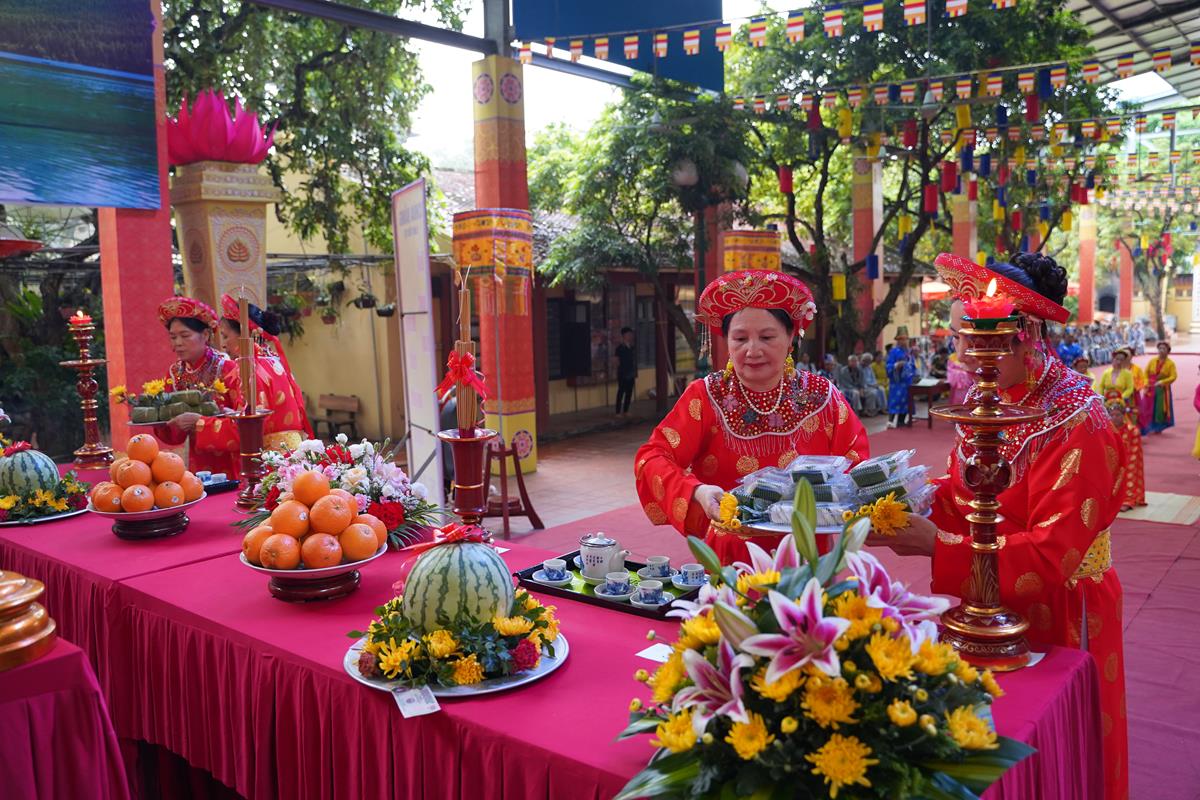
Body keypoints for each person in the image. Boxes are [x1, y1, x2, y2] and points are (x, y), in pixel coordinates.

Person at [870, 252, 1128, 800]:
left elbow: (1054, 553)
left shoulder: (1076, 418)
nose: (964, 354)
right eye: (960, 337)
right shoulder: (990, 399)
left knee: (1054, 748)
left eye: (977, 338)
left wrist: (937, 546)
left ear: (1024, 333)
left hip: (1063, 606)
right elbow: (966, 492)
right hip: (986, 601)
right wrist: (896, 499)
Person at [634, 269, 869, 565]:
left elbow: (856, 465)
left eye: (767, 337)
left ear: (791, 338)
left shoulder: (822, 396)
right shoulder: (706, 396)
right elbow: (653, 457)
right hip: (731, 562)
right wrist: (698, 492)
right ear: (727, 342)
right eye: (740, 338)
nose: (752, 350)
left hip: (808, 557)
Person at [151, 296, 241, 475]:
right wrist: (159, 418)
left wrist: (199, 423)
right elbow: (174, 437)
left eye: (185, 336)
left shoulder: (228, 368)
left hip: (231, 460)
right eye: (173, 337)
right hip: (197, 464)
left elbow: (242, 425)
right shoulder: (174, 374)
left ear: (205, 335)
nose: (177, 343)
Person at [217, 294, 313, 452]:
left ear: (245, 336)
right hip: (289, 452)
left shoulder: (251, 368)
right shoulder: (272, 360)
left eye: (225, 336)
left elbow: (248, 426)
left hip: (268, 456)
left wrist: (200, 424)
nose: (223, 344)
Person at [1144, 341, 1177, 434]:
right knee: (1148, 406)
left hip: (1162, 389)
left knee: (1160, 408)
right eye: (1160, 348)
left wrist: (1162, 382)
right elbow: (1145, 372)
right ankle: (1148, 425)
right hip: (1150, 387)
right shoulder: (1152, 361)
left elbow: (1173, 376)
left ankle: (1158, 427)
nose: (1161, 350)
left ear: (1168, 351)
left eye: (1164, 349)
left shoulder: (1170, 363)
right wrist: (1146, 382)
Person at [886, 333, 915, 428]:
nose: (904, 341)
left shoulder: (909, 352)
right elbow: (888, 365)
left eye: (906, 339)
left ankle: (901, 421)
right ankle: (890, 421)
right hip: (897, 382)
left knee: (906, 401)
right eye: (902, 339)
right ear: (898, 340)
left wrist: (910, 368)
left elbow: (912, 364)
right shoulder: (893, 352)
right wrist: (896, 365)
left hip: (907, 381)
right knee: (895, 400)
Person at [614, 326, 637, 417]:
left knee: (629, 392)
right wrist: (619, 369)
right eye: (628, 334)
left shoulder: (631, 347)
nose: (630, 336)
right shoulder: (620, 348)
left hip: (630, 372)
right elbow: (616, 361)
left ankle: (626, 410)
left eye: (630, 334)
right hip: (622, 372)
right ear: (624, 335)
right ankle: (618, 411)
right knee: (621, 392)